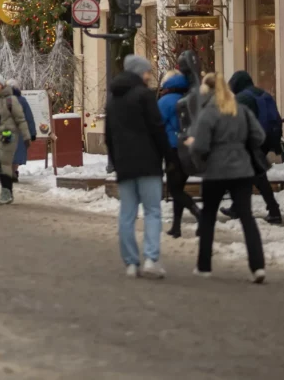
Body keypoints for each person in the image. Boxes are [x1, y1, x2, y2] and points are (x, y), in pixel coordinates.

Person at [188, 73, 266, 283]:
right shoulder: (241, 110)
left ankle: (204, 266)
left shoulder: (208, 113)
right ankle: (258, 266)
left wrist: (199, 161)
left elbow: (200, 146)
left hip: (216, 170)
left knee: (208, 216)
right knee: (247, 217)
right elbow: (259, 136)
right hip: (242, 169)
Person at [106, 56, 173, 278]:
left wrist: (116, 161)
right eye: (147, 71)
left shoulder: (113, 99)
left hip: (125, 165)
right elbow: (157, 128)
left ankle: (131, 262)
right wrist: (168, 157)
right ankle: (151, 258)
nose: (149, 75)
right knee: (152, 211)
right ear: (138, 72)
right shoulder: (145, 95)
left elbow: (108, 135)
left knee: (127, 214)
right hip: (148, 163)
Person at [227, 71, 284, 224]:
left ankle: (274, 211)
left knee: (256, 176)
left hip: (252, 141)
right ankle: (237, 208)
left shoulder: (242, 98)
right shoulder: (263, 94)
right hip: (267, 139)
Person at [157, 70, 201, 237]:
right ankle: (176, 227)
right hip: (189, 149)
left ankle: (199, 214)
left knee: (175, 190)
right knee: (178, 188)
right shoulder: (191, 100)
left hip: (173, 150)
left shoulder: (165, 101)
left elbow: (157, 124)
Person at [0, 74, 32, 205]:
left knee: (4, 164)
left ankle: (6, 192)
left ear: (3, 86)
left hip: (8, 136)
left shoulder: (11, 100)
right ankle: (6, 192)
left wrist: (26, 136)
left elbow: (21, 119)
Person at [7, 78, 37, 181]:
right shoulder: (22, 100)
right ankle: (14, 171)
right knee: (18, 152)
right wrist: (32, 133)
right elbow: (29, 117)